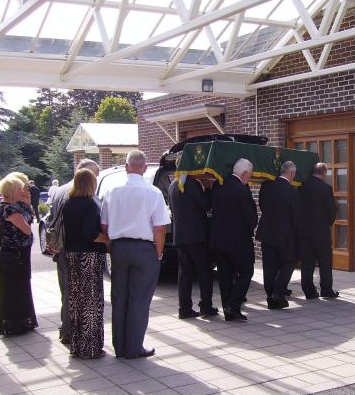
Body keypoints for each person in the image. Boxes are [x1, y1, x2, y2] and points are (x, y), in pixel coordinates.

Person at [101, 149, 170, 359]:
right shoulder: (153, 193)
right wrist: (158, 253)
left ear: (126, 166)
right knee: (139, 299)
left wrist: (112, 245)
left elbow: (104, 225)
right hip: (144, 249)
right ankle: (134, 347)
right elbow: (160, 228)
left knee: (119, 297)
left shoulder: (112, 191)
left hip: (119, 248)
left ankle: (120, 346)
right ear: (144, 167)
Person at [49, 159, 100, 345]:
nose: (97, 178)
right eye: (96, 174)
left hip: (63, 248)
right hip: (82, 251)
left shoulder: (62, 190)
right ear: (87, 175)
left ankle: (67, 329)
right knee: (80, 295)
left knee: (68, 292)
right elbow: (88, 230)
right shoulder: (84, 197)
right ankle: (74, 333)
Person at [62, 169, 109, 359]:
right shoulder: (91, 204)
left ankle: (77, 345)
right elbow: (90, 233)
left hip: (72, 254)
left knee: (76, 299)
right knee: (91, 301)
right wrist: (107, 239)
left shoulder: (68, 203)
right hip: (89, 257)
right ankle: (91, 347)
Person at [210, 158, 258, 321]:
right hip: (239, 241)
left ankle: (228, 310)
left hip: (219, 239)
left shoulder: (218, 185)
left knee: (225, 275)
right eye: (249, 175)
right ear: (244, 173)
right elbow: (251, 218)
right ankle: (233, 304)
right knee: (246, 271)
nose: (249, 179)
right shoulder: (242, 190)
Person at [168, 168, 218, 319]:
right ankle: (206, 306)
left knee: (185, 273)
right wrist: (208, 188)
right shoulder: (191, 184)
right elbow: (206, 205)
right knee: (204, 271)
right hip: (196, 236)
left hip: (180, 236)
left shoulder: (173, 185)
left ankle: (184, 308)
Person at [0, 174, 37, 336]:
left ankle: (18, 321)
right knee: (16, 289)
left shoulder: (2, 207)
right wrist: (26, 205)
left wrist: (26, 203)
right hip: (15, 255)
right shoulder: (11, 209)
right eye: (19, 189)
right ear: (12, 191)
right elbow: (26, 229)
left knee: (14, 289)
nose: (22, 191)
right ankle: (16, 323)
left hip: (9, 254)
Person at [256, 161, 300, 310]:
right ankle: (277, 292)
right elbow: (295, 216)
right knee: (289, 262)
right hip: (284, 234)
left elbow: (262, 205)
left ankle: (270, 299)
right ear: (292, 173)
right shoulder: (292, 191)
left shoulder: (266, 186)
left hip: (267, 232)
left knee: (269, 267)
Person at [298, 162, 338, 298]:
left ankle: (308, 290)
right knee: (325, 262)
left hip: (304, 231)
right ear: (324, 173)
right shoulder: (326, 188)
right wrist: (327, 223)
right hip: (321, 231)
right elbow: (332, 211)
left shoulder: (302, 187)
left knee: (307, 262)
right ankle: (326, 290)